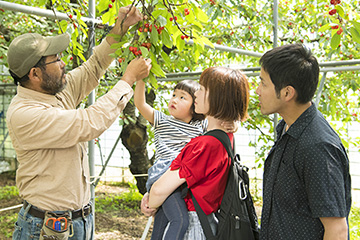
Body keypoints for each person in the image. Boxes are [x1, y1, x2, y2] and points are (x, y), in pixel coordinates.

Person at [6, 6, 151, 240]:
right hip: (47, 229)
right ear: (34, 74)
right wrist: (128, 79)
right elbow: (88, 122)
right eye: (56, 60)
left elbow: (94, 67)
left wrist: (121, 27)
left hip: (80, 221)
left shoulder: (55, 91)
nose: (63, 63)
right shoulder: (25, 114)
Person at [141, 66, 250, 239]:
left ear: (217, 98)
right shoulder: (226, 136)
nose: (196, 94)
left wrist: (150, 200)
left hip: (191, 228)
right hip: (206, 221)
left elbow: (159, 192)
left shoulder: (205, 145)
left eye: (201, 89)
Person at [256, 44, 352, 240]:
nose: (257, 90)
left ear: (287, 93)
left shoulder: (317, 146)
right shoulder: (288, 128)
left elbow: (337, 230)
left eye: (263, 83)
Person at [134, 79, 206, 239]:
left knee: (161, 222)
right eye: (174, 94)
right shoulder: (162, 120)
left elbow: (219, 117)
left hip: (182, 178)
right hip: (165, 174)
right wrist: (140, 79)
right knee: (180, 221)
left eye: (182, 97)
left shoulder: (200, 126)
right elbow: (140, 103)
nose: (174, 99)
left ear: (195, 106)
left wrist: (232, 124)